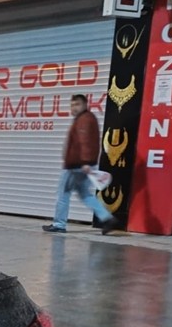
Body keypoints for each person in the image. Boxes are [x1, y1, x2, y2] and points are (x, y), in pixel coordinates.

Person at [43, 94, 118, 234]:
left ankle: (59, 224)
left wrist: (85, 162)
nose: (74, 107)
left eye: (77, 104)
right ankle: (107, 218)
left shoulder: (84, 120)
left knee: (63, 193)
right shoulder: (86, 119)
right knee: (85, 194)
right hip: (80, 164)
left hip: (75, 166)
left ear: (84, 105)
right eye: (72, 105)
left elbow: (85, 142)